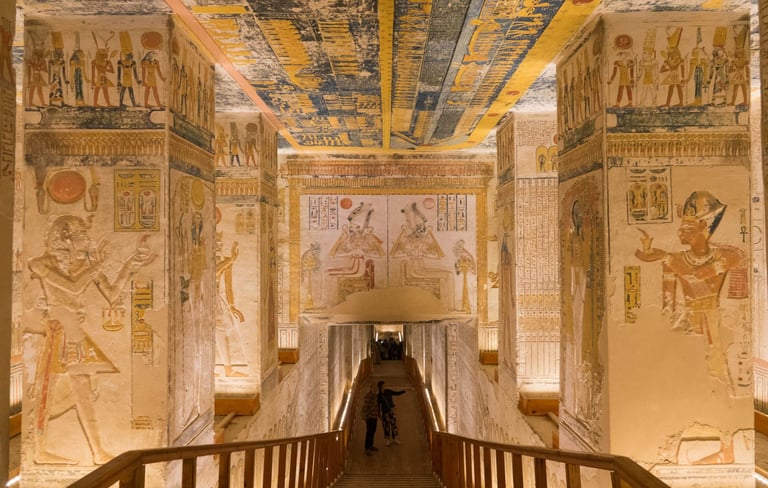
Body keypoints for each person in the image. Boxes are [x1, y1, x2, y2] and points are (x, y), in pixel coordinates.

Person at [377, 380, 406, 446]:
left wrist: (404, 390)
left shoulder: (388, 391)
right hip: (385, 412)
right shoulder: (379, 396)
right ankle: (387, 440)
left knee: (394, 425)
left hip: (391, 411)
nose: (385, 386)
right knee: (386, 426)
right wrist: (379, 414)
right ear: (380, 386)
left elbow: (397, 393)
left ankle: (395, 438)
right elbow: (378, 405)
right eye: (384, 385)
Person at [361, 381, 380, 455]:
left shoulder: (375, 395)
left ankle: (371, 445)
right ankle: (366, 448)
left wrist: (378, 415)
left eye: (376, 387)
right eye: (374, 387)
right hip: (370, 417)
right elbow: (366, 407)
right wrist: (367, 416)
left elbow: (376, 406)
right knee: (369, 432)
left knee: (373, 431)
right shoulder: (368, 396)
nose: (375, 389)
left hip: (374, 416)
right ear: (371, 388)